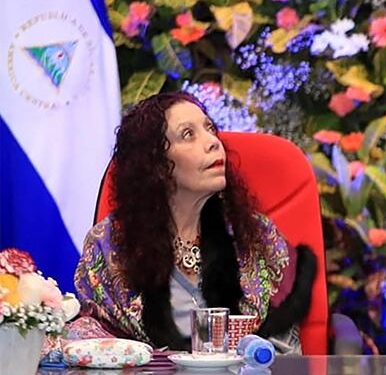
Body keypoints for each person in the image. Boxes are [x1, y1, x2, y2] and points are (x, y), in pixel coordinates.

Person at [72, 92, 316, 352]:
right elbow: (93, 346)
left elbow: (286, 348)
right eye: (188, 134)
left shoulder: (258, 237)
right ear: (155, 164)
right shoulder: (108, 246)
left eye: (210, 128)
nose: (212, 141)